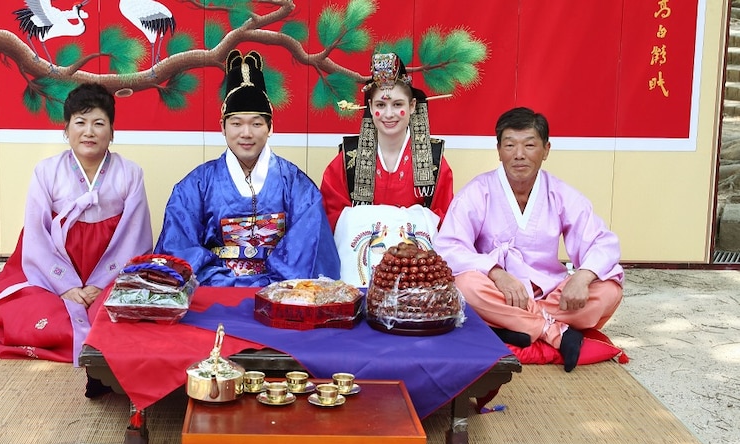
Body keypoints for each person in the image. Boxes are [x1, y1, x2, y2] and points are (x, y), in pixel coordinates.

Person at [0, 83, 153, 368]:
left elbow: (135, 236)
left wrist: (99, 284)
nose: (89, 131)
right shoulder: (46, 171)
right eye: (80, 122)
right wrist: (65, 286)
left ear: (112, 132)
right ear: (66, 130)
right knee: (31, 317)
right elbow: (36, 235)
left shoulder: (130, 173)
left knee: (122, 321)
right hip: (51, 272)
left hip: (110, 274)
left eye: (99, 123)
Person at [433, 107, 623, 372]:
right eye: (510, 145)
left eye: (530, 145)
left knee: (608, 289)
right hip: (496, 290)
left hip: (548, 293)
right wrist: (496, 272)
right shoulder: (478, 191)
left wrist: (582, 277)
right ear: (499, 150)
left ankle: (510, 325)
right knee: (465, 286)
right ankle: (553, 331)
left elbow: (602, 241)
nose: (519, 154)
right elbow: (448, 247)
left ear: (546, 150)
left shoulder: (559, 193)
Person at [153, 49, 340, 286]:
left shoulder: (296, 185)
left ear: (270, 127)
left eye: (256, 123)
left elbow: (309, 245)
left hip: (281, 295)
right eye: (236, 123)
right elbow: (179, 247)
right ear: (222, 126)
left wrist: (269, 285)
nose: (246, 133)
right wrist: (224, 283)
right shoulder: (196, 185)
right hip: (213, 294)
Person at [320, 52, 454, 286]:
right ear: (370, 106)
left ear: (412, 106)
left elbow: (447, 222)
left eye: (398, 104)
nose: (389, 114)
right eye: (381, 104)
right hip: (359, 269)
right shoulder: (347, 159)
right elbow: (330, 218)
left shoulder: (434, 162)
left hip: (417, 273)